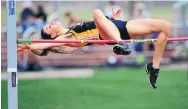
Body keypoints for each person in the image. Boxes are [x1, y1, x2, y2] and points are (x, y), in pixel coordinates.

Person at [17, 9, 170, 89]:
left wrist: (114, 20)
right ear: (54, 34)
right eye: (49, 27)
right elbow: (47, 45)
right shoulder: (66, 38)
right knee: (97, 12)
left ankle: (153, 67)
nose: (51, 23)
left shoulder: (71, 28)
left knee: (165, 27)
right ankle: (120, 43)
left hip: (118, 26)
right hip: (107, 35)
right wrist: (31, 46)